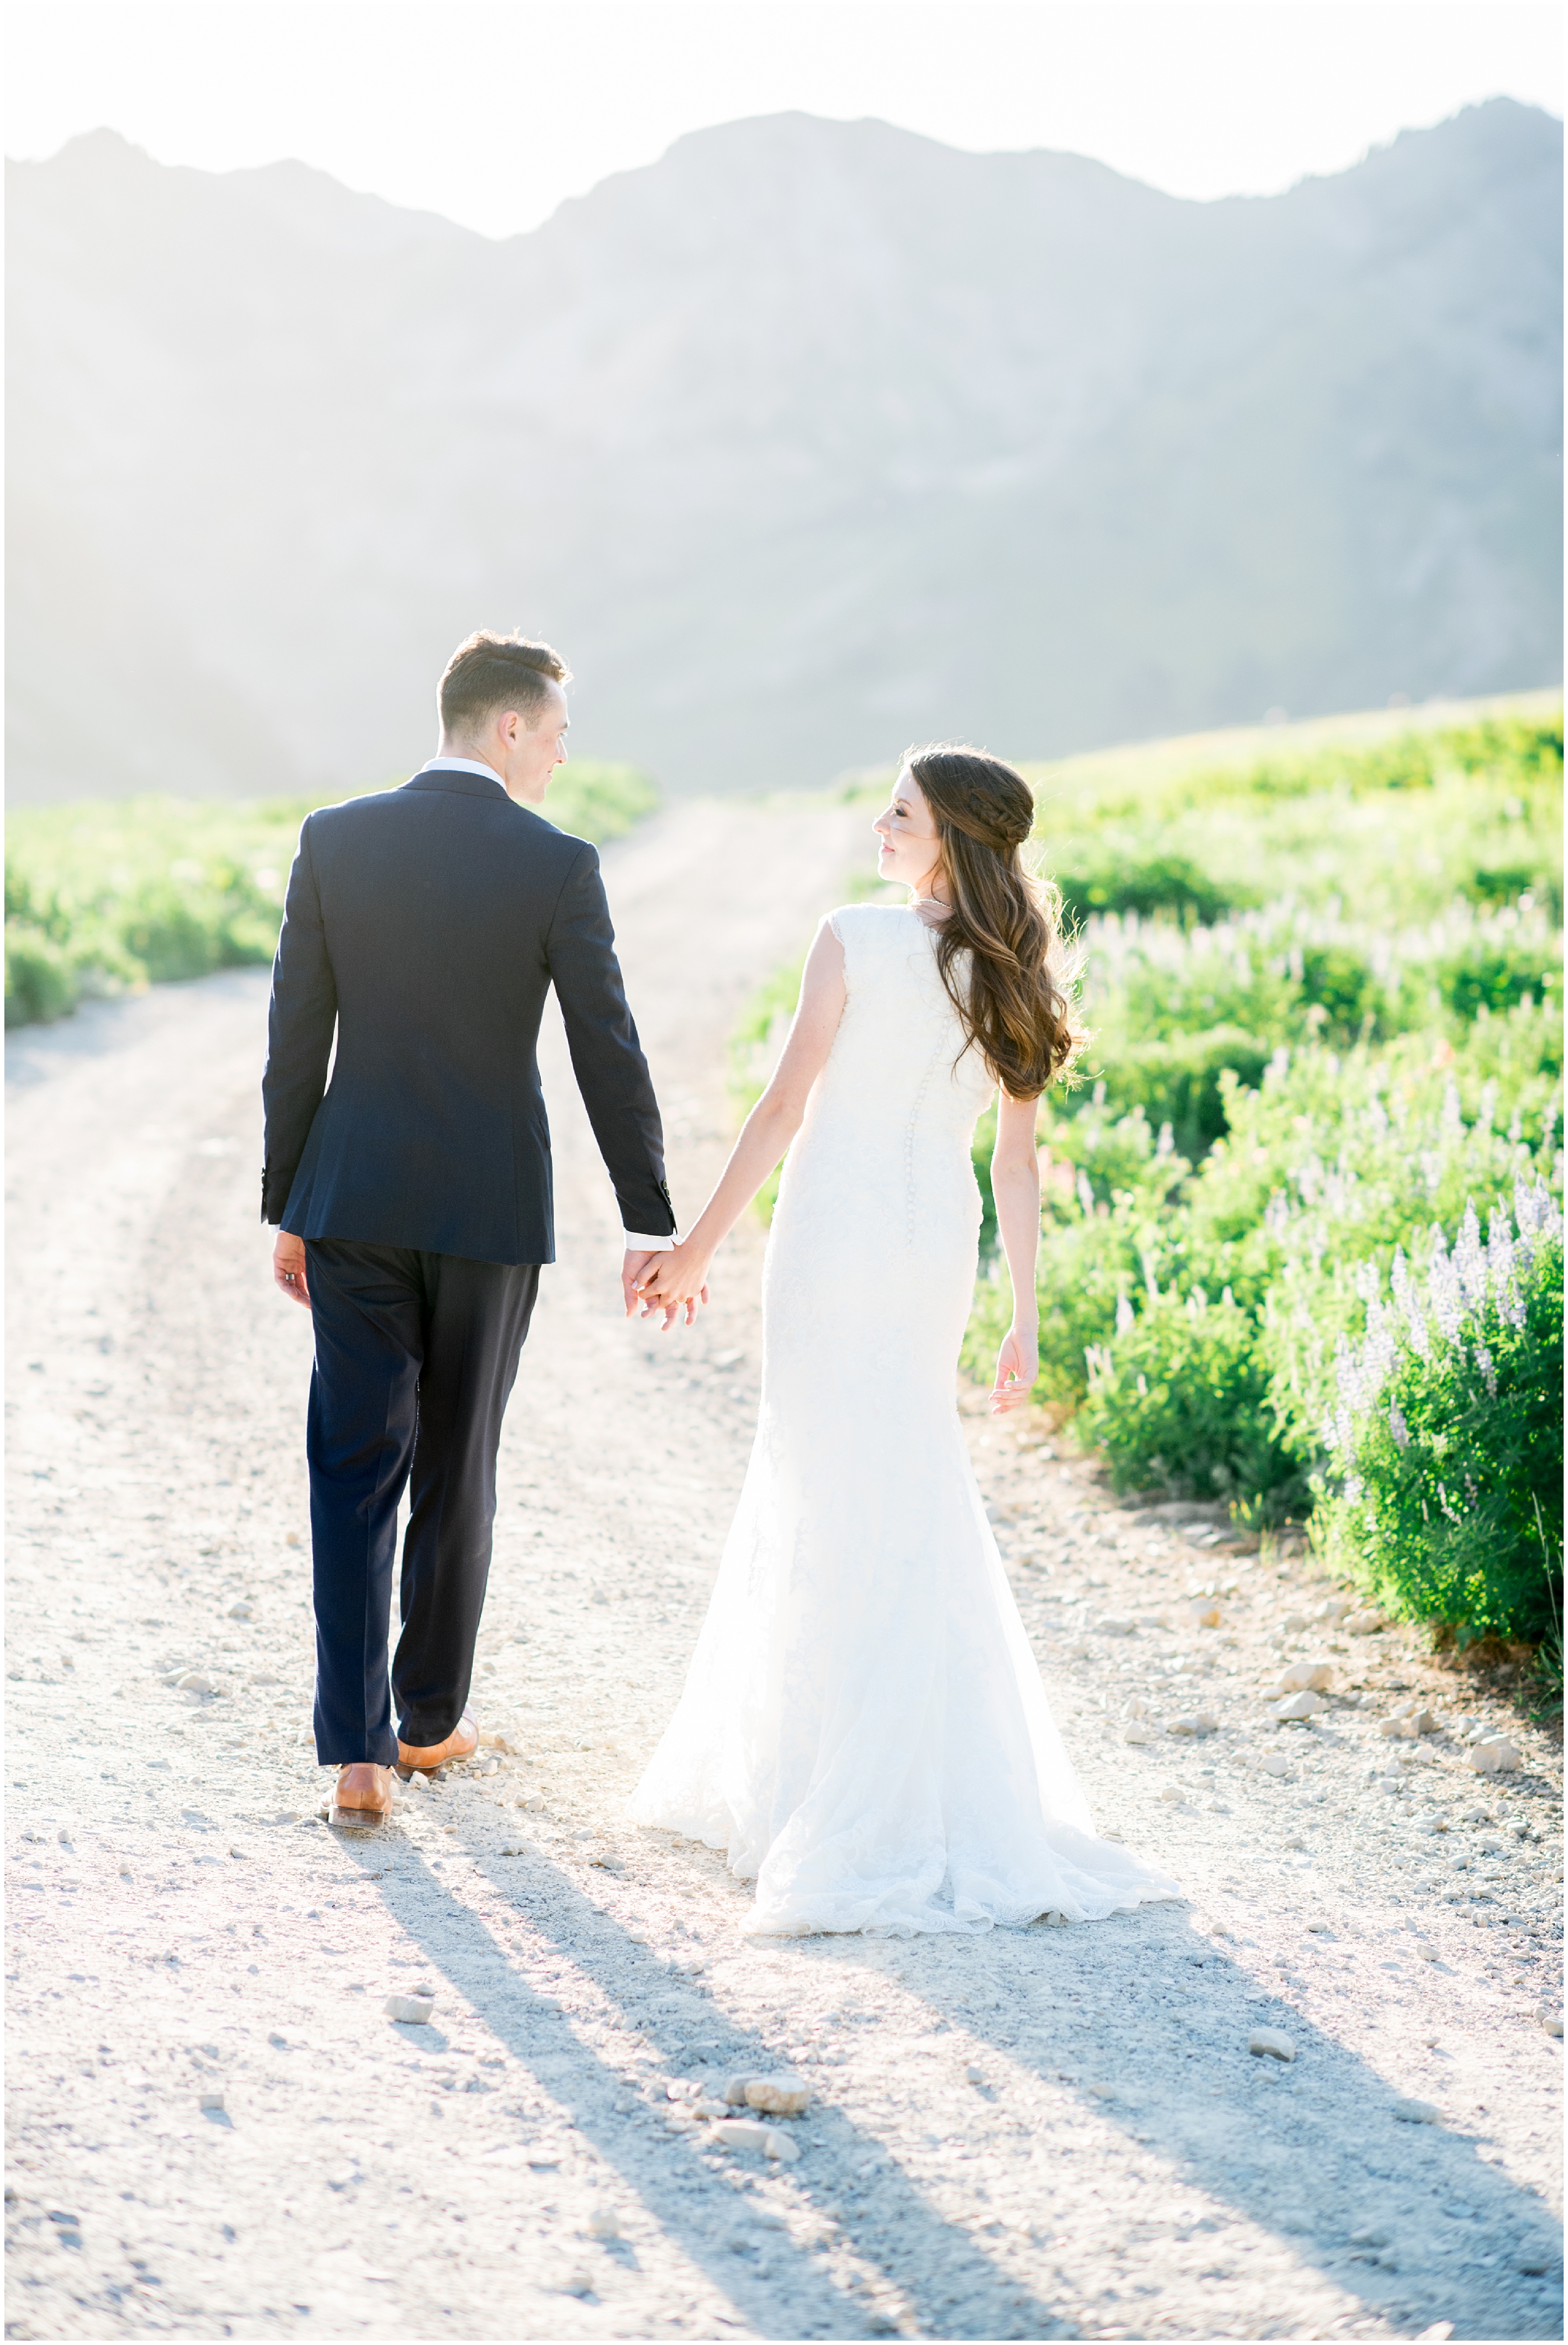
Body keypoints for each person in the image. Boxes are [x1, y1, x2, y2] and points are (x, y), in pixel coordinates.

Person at [630, 745, 1177, 1935]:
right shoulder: (1017, 972)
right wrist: (1026, 1311)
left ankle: (814, 1783)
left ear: (951, 837)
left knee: (820, 1475)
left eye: (900, 812)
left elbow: (783, 1110)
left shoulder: (854, 939)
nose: (880, 826)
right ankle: (923, 1781)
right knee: (909, 1478)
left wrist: (700, 1245)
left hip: (830, 1238)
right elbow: (1016, 1168)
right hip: (935, 1243)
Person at [262, 630, 684, 1833]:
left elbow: (297, 1040)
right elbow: (609, 1051)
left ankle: (355, 1748)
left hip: (352, 1200)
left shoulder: (335, 839)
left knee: (352, 1464)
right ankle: (432, 1718)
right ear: (508, 727)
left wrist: (289, 1199)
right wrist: (648, 1217)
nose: (560, 755)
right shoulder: (556, 864)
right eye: (555, 733)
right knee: (459, 1454)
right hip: (491, 1210)